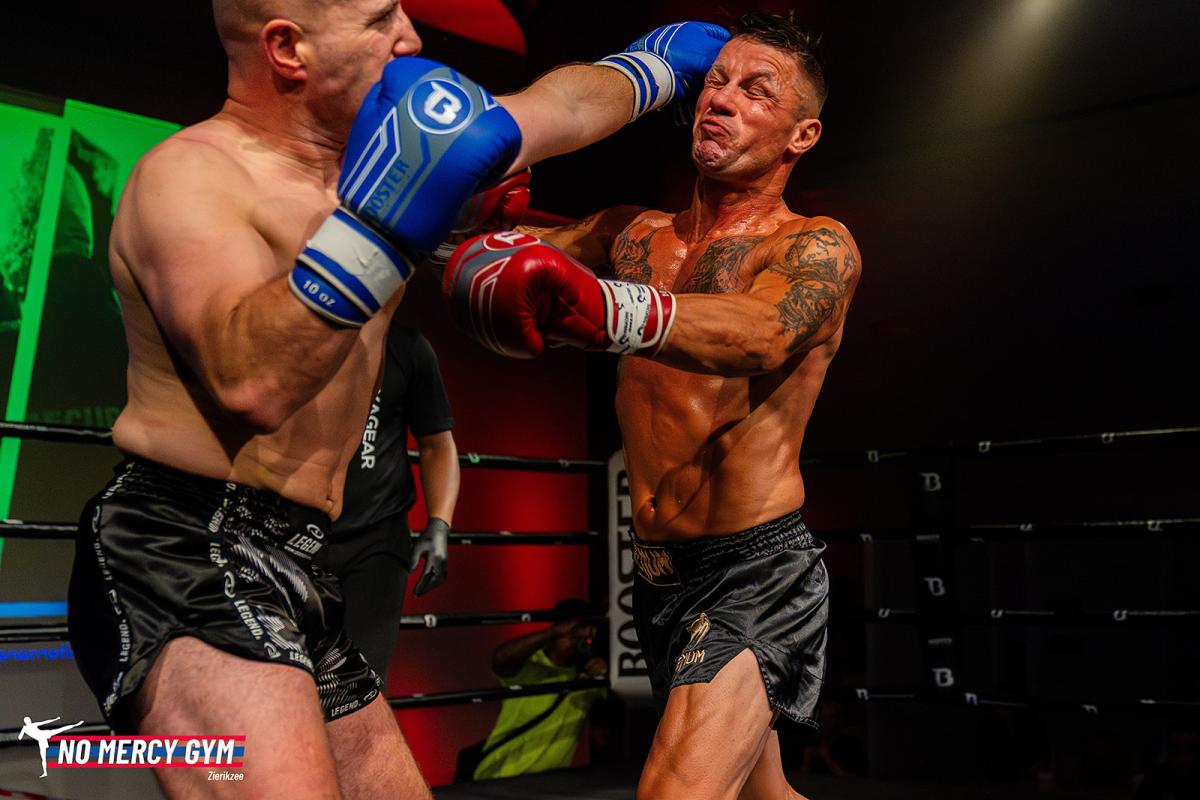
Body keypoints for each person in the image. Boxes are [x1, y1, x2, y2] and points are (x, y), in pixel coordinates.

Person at [64, 1, 730, 796]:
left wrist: (660, 65)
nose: (410, 38)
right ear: (288, 48)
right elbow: (251, 382)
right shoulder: (191, 177)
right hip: (182, 554)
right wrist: (382, 224)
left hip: (306, 558)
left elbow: (565, 105)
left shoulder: (385, 153)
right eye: (381, 20)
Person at [444, 11, 859, 798]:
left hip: (755, 574)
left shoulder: (814, 245)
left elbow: (762, 334)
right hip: (658, 576)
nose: (722, 99)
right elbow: (490, 259)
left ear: (802, 135)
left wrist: (610, 311)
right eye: (716, 82)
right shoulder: (631, 234)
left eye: (757, 90)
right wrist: (439, 214)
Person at [318, 322, 459, 685]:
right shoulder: (301, 331)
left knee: (361, 684)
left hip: (378, 541)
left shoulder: (406, 345)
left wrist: (439, 524)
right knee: (285, 680)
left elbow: (436, 443)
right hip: (296, 532)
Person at [470, 599, 609, 781]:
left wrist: (606, 671)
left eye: (585, 630)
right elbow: (500, 659)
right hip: (502, 778)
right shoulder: (531, 666)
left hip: (550, 784)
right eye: (572, 631)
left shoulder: (588, 677)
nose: (576, 639)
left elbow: (614, 712)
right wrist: (551, 634)